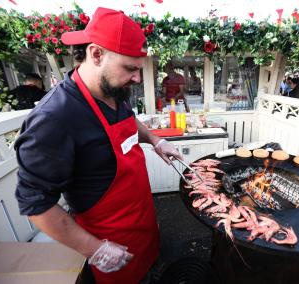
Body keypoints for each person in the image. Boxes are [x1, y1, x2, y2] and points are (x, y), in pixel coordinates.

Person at [14, 7, 183, 284]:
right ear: (96, 54)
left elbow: (129, 121)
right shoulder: (54, 118)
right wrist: (95, 249)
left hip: (143, 224)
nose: (138, 78)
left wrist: (154, 139)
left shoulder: (114, 90)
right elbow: (34, 203)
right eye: (130, 68)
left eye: (138, 69)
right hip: (108, 244)